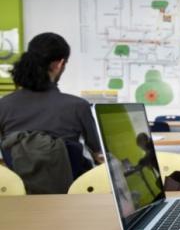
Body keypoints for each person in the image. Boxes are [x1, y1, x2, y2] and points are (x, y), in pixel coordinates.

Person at [0, 32, 103, 170]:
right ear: (59, 64)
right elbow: (99, 155)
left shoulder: (3, 106)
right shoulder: (78, 106)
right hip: (71, 190)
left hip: (17, 190)